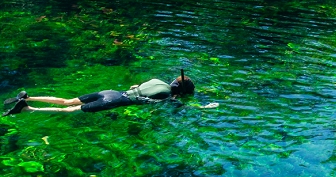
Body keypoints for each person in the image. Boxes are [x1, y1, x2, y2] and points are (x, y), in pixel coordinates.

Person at [3, 71, 217, 116]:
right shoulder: (167, 97)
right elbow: (175, 105)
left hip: (110, 91)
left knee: (66, 100)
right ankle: (28, 109)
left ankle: (27, 96)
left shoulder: (157, 81)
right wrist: (203, 107)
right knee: (69, 111)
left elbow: (137, 85)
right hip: (114, 101)